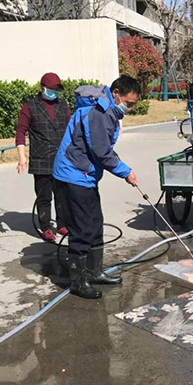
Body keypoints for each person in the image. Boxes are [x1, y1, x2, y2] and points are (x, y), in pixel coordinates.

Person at [53, 76, 140, 300]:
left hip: (85, 176)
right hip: (73, 175)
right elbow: (101, 152)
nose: (129, 108)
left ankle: (94, 272)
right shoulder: (98, 113)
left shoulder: (107, 110)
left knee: (95, 223)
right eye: (128, 103)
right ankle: (78, 282)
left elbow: (103, 149)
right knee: (82, 228)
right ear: (116, 93)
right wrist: (126, 172)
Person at [16, 72, 71, 243]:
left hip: (62, 158)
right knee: (44, 196)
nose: (54, 92)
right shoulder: (30, 106)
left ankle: (62, 224)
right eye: (51, 89)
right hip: (41, 158)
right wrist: (22, 156)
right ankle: (46, 227)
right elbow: (20, 131)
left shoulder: (63, 106)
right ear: (42, 88)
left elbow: (71, 130)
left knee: (63, 194)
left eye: (57, 89)